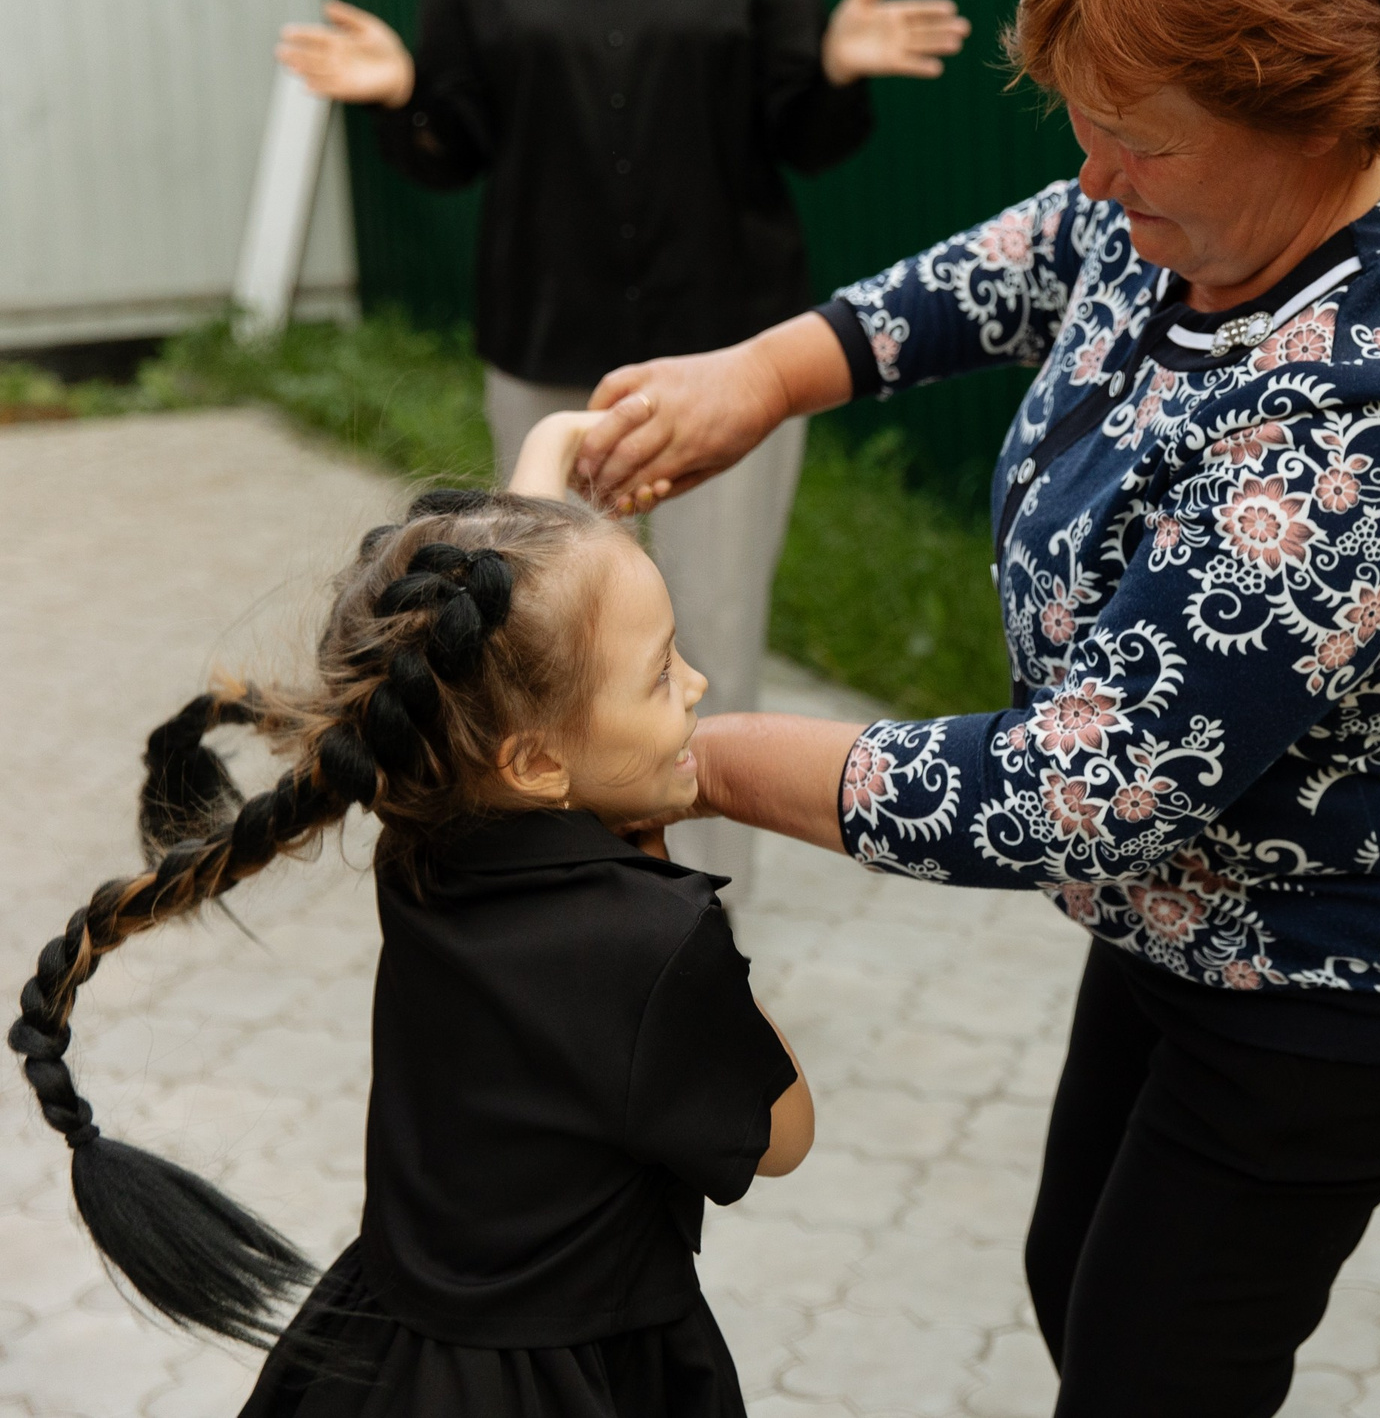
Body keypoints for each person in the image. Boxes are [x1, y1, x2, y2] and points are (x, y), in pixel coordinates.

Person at [568, 0, 1380, 1418]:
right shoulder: (1211, 201)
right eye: (1087, 128)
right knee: (1079, 1276)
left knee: (1151, 1366)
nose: (1100, 177)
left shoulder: (1377, 402)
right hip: (1193, 907)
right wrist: (771, 369)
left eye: (1139, 142)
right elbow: (1041, 248)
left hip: (1350, 971)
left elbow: (1076, 789)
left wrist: (675, 758)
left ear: (1311, 106)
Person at [276, 0, 969, 897]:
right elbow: (454, 141)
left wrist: (837, 67)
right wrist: (403, 93)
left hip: (728, 356)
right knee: (542, 654)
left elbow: (799, 129)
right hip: (549, 353)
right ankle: (567, 921)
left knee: (712, 645)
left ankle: (696, 933)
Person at [7, 452, 815, 1417]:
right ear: (537, 760)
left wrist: (555, 470)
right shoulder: (659, 940)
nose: (696, 682)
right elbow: (783, 1136)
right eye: (659, 674)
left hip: (389, 1359)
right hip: (581, 1380)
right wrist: (676, 886)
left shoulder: (422, 837)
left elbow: (497, 634)